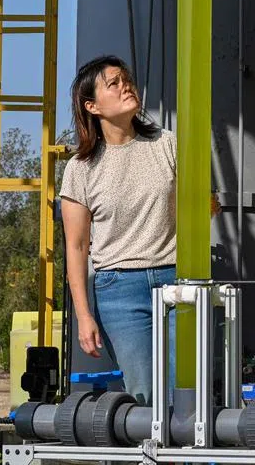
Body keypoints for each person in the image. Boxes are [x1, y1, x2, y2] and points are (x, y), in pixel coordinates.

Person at [60, 55, 176, 405]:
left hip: (177, 280)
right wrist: (83, 315)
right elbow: (77, 248)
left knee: (186, 394)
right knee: (146, 396)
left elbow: (202, 207)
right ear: (92, 106)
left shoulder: (169, 144)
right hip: (119, 291)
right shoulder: (80, 168)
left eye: (126, 78)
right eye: (114, 83)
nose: (126, 85)